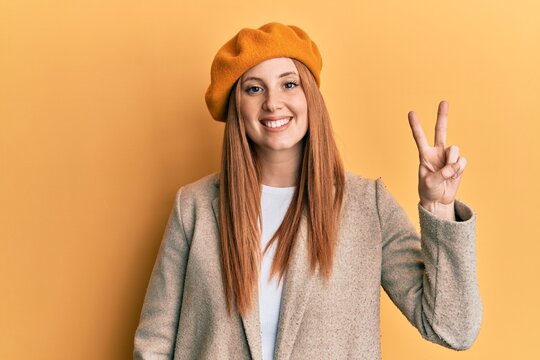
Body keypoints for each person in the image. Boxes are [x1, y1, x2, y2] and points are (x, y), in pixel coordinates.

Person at [133, 22, 482, 360]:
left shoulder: (367, 206)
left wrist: (439, 209)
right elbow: (154, 343)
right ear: (235, 107)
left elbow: (452, 327)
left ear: (311, 96)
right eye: (254, 89)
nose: (272, 103)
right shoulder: (193, 208)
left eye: (289, 84)